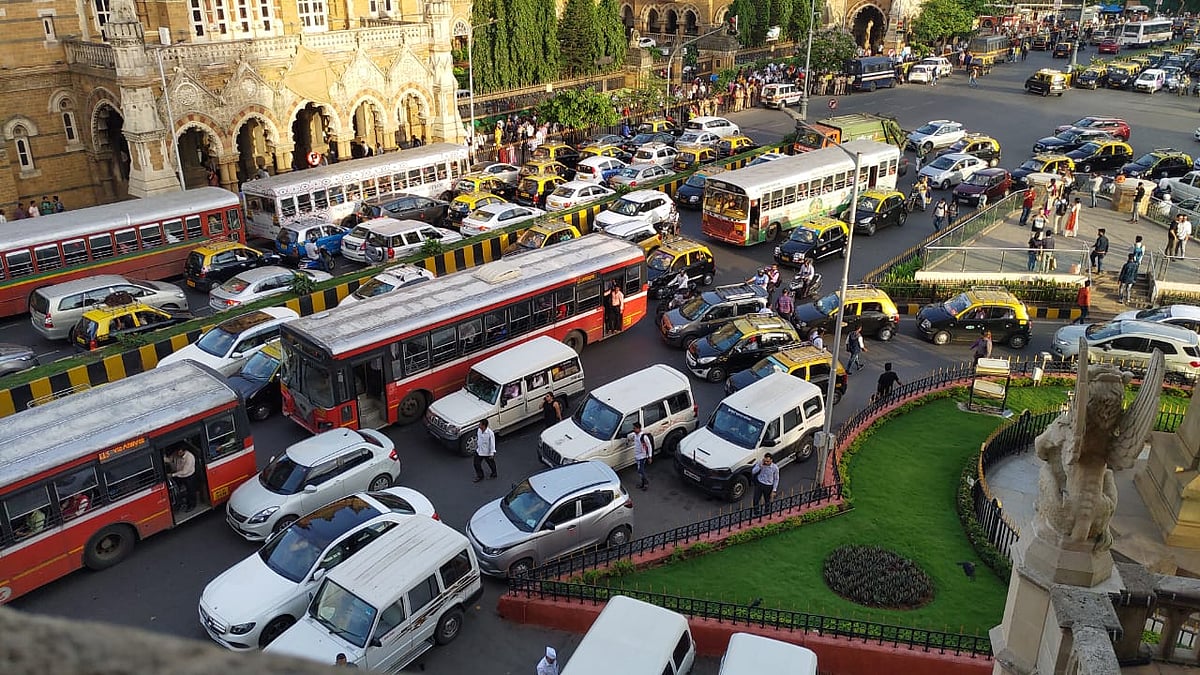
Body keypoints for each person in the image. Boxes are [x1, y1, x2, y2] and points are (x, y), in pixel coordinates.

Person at [167, 446, 198, 510]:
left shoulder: (189, 457)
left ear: (184, 451)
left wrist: (172, 475)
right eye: (178, 452)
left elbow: (185, 471)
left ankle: (192, 505)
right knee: (177, 490)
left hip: (188, 476)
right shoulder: (175, 454)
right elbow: (170, 459)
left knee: (191, 491)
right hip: (178, 475)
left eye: (180, 452)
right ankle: (181, 503)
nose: (178, 454)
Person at [629, 421, 653, 490]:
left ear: (639, 429)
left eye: (635, 428)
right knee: (640, 471)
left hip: (642, 456)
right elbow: (630, 437)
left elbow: (649, 446)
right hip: (637, 456)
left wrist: (650, 457)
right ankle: (643, 483)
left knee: (640, 470)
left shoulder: (644, 437)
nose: (633, 429)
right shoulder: (635, 435)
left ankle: (645, 483)